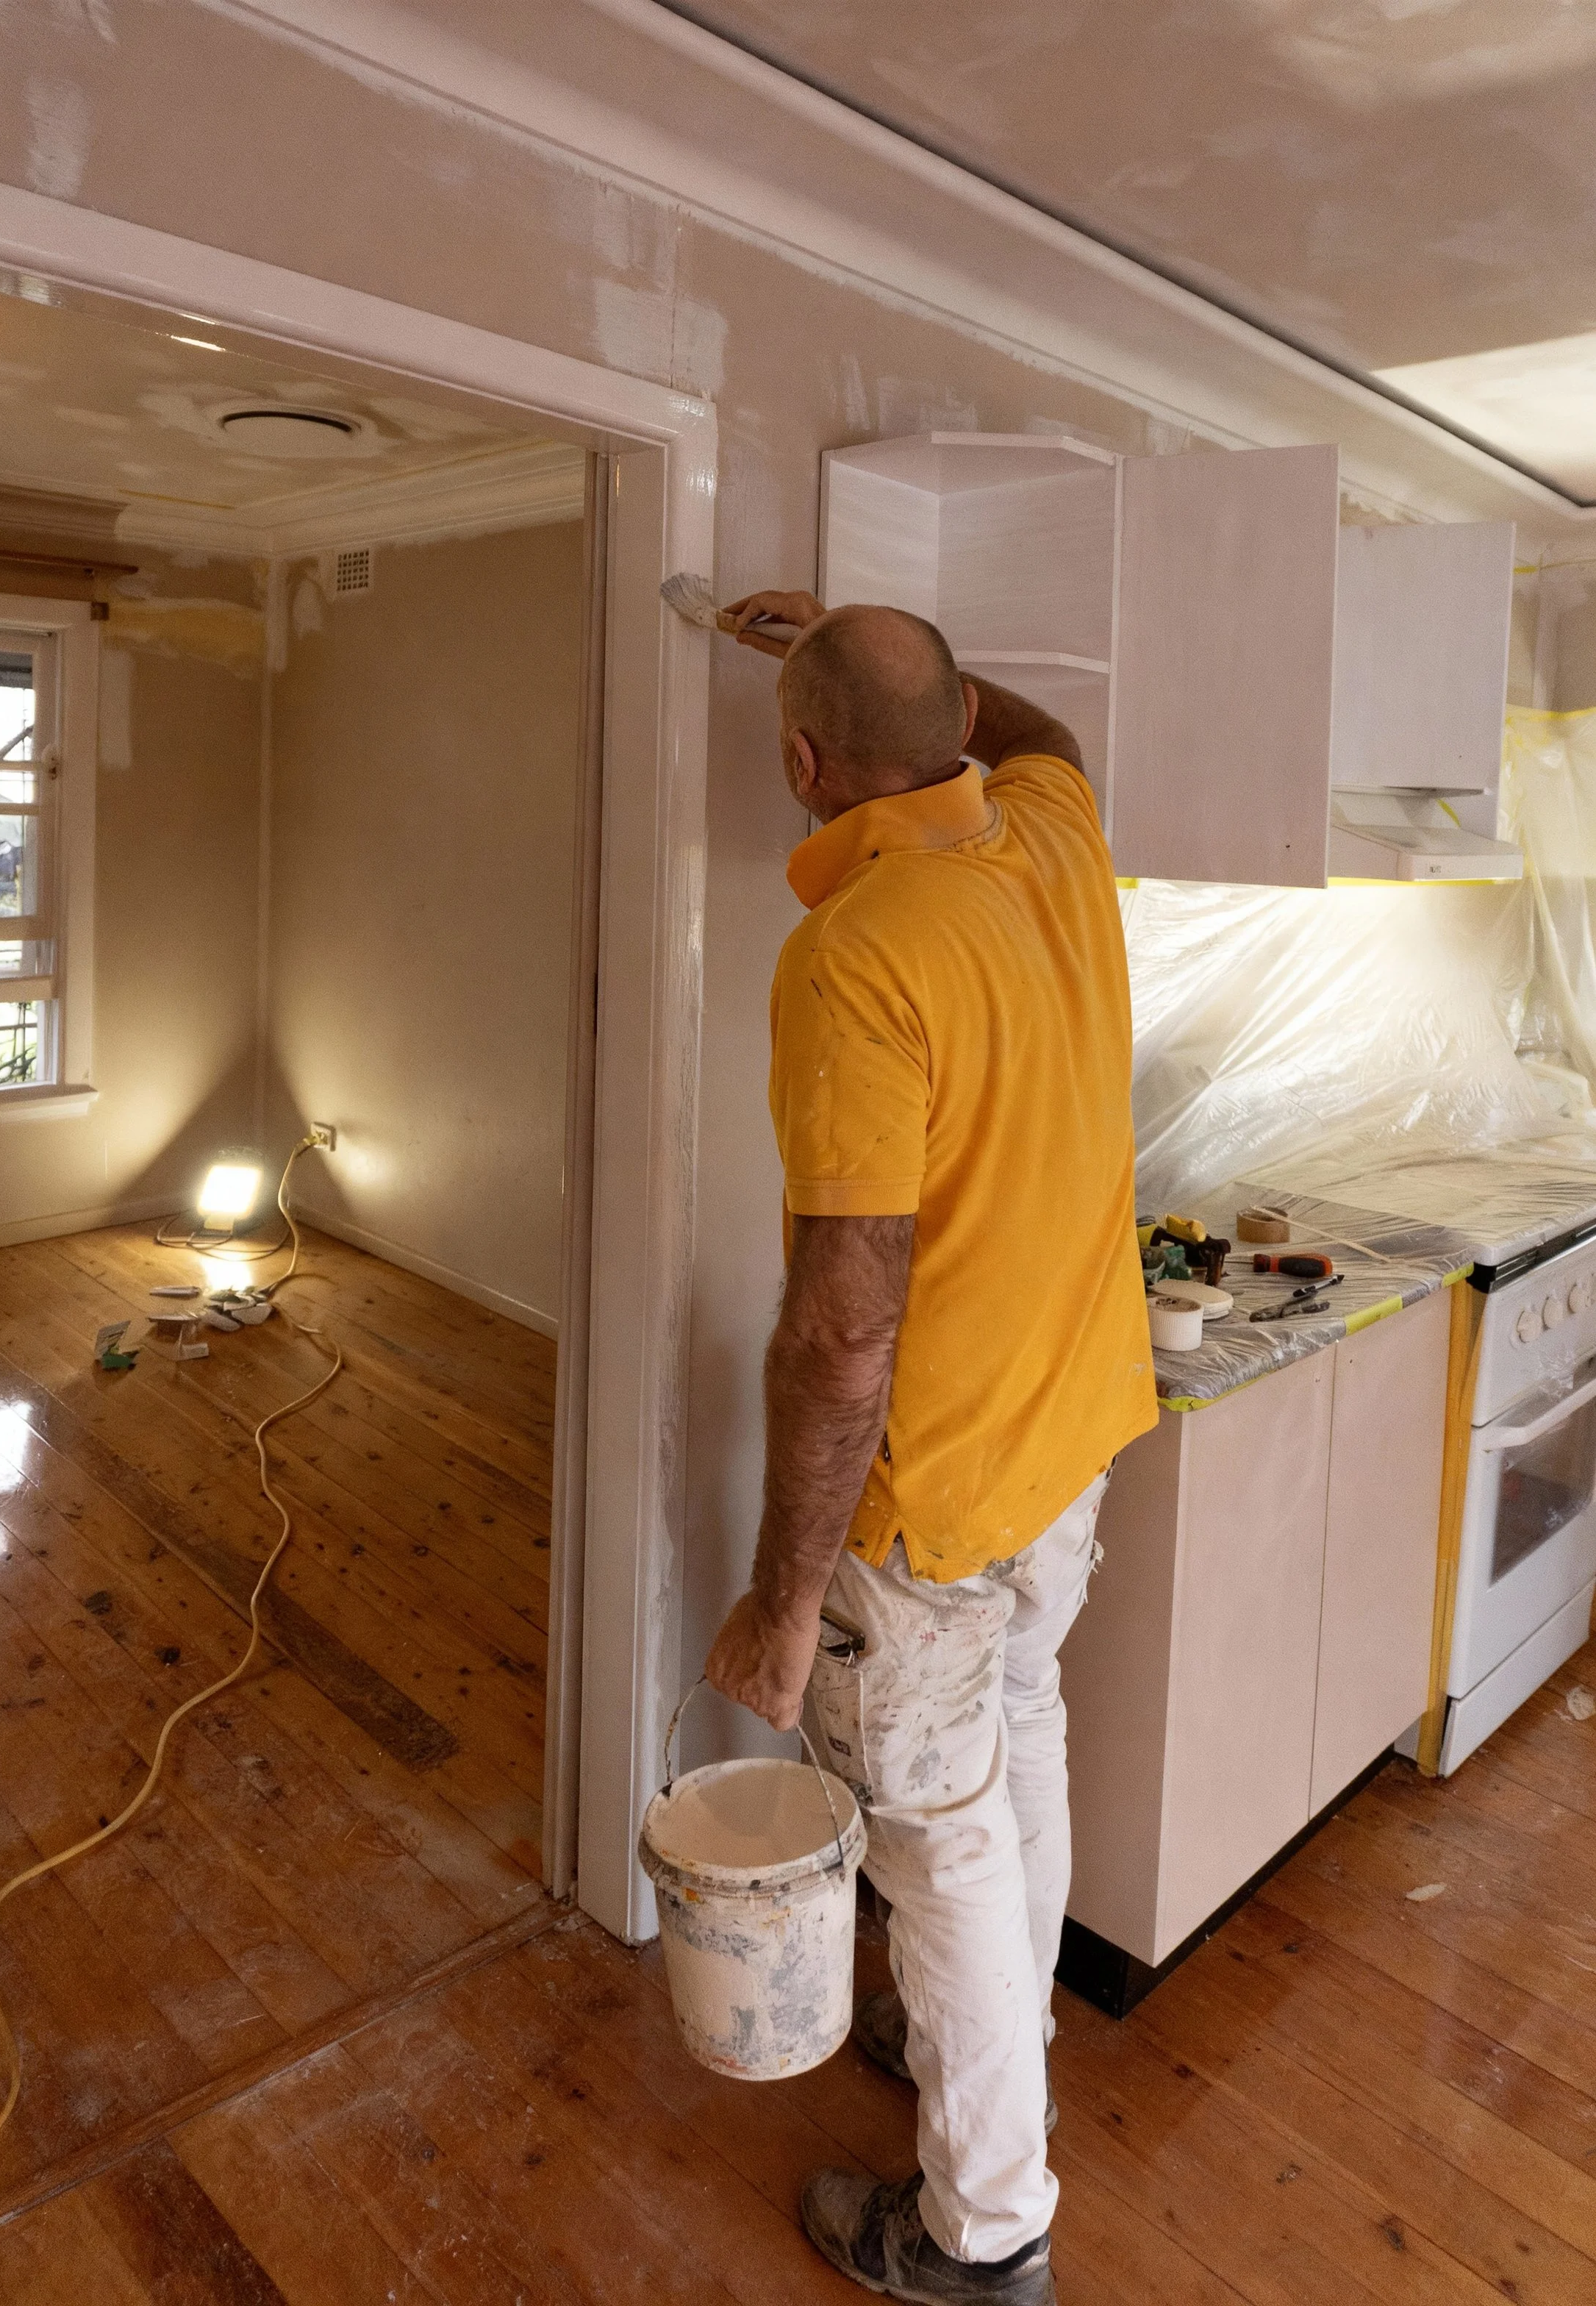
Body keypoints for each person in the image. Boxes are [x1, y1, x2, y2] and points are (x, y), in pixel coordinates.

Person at [703, 589, 1156, 2305]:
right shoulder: (1051, 835)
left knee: (938, 1840)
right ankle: (998, 2037)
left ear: (800, 764)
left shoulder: (857, 951)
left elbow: (839, 1330)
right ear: (961, 725)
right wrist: (864, 642)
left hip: (938, 1505)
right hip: (1072, 1438)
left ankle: (982, 2230)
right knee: (1015, 1737)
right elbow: (1049, 738)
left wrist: (779, 1602)